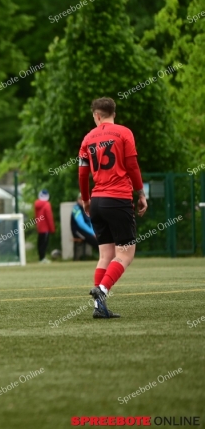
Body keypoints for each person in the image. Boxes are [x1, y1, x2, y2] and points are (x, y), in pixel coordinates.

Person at [78, 97, 147, 319]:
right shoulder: (124, 133)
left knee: (105, 255)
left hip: (97, 201)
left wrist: (86, 200)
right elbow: (132, 165)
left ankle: (99, 308)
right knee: (125, 254)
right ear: (113, 114)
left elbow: (82, 174)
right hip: (117, 199)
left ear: (97, 115)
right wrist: (141, 193)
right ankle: (103, 290)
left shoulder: (88, 138)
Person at [71, 193, 98, 259]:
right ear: (78, 200)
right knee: (94, 240)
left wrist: (94, 232)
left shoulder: (87, 208)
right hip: (77, 231)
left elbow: (91, 221)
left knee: (100, 238)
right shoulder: (76, 208)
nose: (82, 201)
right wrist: (92, 233)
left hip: (87, 230)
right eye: (81, 199)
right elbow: (81, 224)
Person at [33, 189, 55, 263]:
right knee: (44, 243)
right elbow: (49, 217)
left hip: (39, 227)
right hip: (45, 228)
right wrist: (52, 229)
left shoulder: (36, 204)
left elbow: (35, 216)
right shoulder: (47, 205)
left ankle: (40, 258)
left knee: (40, 243)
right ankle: (42, 258)